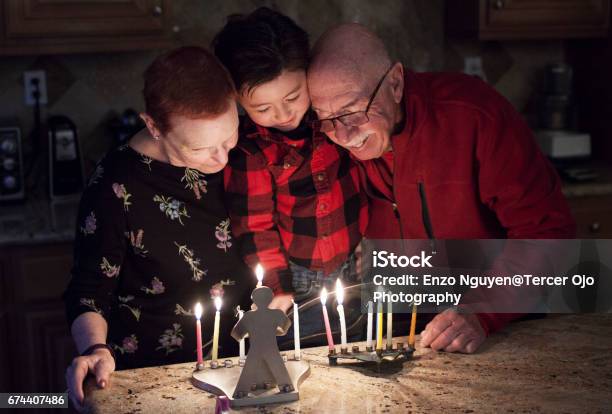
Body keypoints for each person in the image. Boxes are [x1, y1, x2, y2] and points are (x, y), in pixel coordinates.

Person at [307, 24, 576, 353]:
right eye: (326, 117)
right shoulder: (333, 138)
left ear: (395, 82)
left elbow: (549, 233)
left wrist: (482, 311)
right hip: (411, 333)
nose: (344, 136)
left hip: (503, 329)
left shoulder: (473, 115)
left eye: (353, 112)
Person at [63, 46, 253, 411]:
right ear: (153, 125)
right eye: (202, 148)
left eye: (229, 137)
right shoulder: (115, 186)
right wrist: (94, 348)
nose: (222, 158)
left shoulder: (241, 151)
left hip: (241, 369)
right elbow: (88, 292)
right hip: (154, 377)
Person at [213, 8, 368, 345]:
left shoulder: (335, 118)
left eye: (294, 97)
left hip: (358, 268)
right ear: (236, 100)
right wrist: (276, 289)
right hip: (296, 283)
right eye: (263, 109)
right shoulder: (249, 152)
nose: (283, 114)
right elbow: (255, 229)